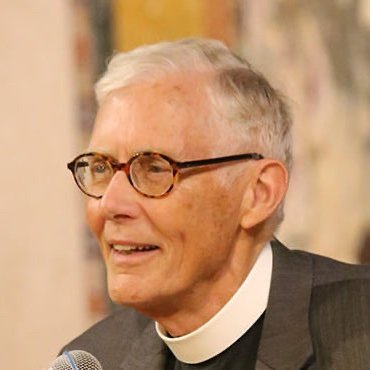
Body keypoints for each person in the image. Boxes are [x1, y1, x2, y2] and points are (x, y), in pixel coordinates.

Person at [63, 38, 370, 369]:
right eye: (100, 168)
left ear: (259, 192)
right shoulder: (97, 358)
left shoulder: (359, 334)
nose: (110, 204)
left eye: (153, 168)